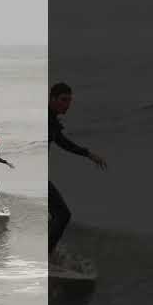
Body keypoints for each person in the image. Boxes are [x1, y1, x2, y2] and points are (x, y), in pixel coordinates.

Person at [49, 82, 107, 255]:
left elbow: (63, 142)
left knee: (57, 215)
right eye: (63, 100)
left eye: (69, 100)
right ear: (52, 99)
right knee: (63, 215)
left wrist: (88, 154)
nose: (66, 104)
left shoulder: (51, 120)